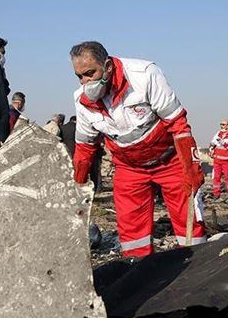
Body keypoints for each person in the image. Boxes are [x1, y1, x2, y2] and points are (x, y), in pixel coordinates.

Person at [70, 41, 206, 256]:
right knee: (132, 233)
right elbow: (85, 149)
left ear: (107, 67)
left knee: (189, 222)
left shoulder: (144, 75)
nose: (85, 81)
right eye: (79, 76)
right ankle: (141, 274)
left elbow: (178, 125)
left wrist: (191, 168)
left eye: (90, 73)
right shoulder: (82, 101)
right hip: (129, 168)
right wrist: (77, 187)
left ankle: (199, 266)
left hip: (169, 161)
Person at [208, 119, 228, 198]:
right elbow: (212, 143)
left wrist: (224, 143)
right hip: (217, 161)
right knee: (216, 178)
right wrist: (211, 149)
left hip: (227, 161)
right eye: (221, 124)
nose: (221, 126)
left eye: (223, 124)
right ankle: (216, 194)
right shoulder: (218, 134)